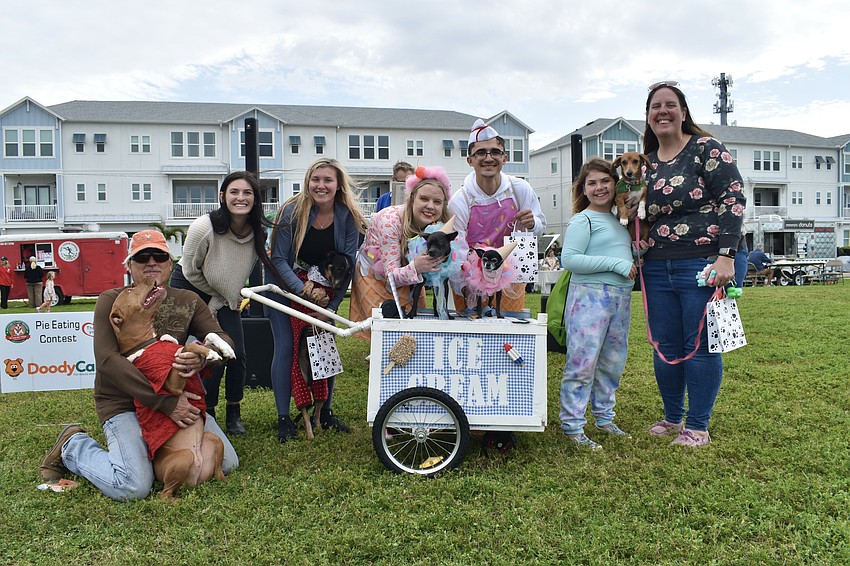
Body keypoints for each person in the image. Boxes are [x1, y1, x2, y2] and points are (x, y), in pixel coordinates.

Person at [38, 230, 239, 501]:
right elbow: (107, 361)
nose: (151, 262)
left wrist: (205, 355)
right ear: (129, 266)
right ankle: (73, 446)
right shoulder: (113, 301)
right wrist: (164, 403)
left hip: (175, 399)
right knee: (133, 487)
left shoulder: (188, 301)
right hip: (126, 404)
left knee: (227, 462)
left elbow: (224, 339)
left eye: (159, 256)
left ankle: (152, 455)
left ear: (171, 264)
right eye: (142, 257)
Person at [642, 81, 746, 447]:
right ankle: (673, 417)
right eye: (655, 106)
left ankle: (698, 426)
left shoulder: (706, 148)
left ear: (683, 112)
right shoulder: (647, 163)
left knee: (700, 344)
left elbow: (732, 197)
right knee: (665, 345)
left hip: (705, 262)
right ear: (648, 116)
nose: (663, 111)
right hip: (657, 265)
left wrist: (726, 256)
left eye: (670, 104)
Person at [265, 158, 367, 442]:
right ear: (308, 182)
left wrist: (330, 308)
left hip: (323, 292)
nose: (321, 185)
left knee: (324, 344)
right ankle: (284, 418)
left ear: (338, 185)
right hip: (284, 286)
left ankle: (325, 412)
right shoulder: (291, 211)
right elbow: (278, 259)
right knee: (287, 346)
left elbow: (346, 266)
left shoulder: (348, 217)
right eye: (316, 179)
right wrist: (306, 292)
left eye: (328, 180)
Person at [170, 171, 271, 436]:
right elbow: (191, 271)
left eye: (247, 193)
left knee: (235, 352)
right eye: (234, 192)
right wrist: (213, 304)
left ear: (255, 198)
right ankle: (208, 410)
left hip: (225, 293)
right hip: (190, 286)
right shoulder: (203, 227)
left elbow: (240, 274)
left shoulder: (258, 233)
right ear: (222, 196)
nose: (240, 198)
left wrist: (224, 300)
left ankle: (234, 410)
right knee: (203, 352)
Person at [558, 158, 637, 450]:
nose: (599, 187)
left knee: (612, 362)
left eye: (605, 181)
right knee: (582, 362)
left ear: (616, 183)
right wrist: (616, 264)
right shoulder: (584, 220)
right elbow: (570, 259)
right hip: (589, 298)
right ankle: (572, 426)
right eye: (592, 183)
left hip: (620, 299)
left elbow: (623, 255)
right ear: (584, 189)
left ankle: (604, 418)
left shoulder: (620, 221)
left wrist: (635, 255)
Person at [449, 119, 545, 315]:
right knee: (471, 328)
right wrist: (463, 287)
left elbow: (540, 228)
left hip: (511, 274)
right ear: (470, 160)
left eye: (495, 152)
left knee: (510, 326)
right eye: (481, 153)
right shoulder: (460, 200)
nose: (488, 158)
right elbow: (456, 250)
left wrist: (532, 223)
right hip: (471, 276)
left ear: (504, 158)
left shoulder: (520, 189)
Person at [349, 166, 453, 335]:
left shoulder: (439, 226)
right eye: (424, 199)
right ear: (412, 198)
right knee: (385, 330)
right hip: (376, 273)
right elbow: (391, 276)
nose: (430, 206)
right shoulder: (390, 221)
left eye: (437, 202)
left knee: (416, 329)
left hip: (410, 273)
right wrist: (416, 267)